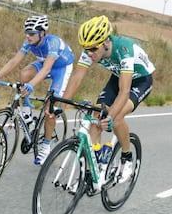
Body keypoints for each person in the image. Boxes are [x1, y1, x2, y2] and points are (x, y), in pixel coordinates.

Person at [58, 15, 155, 183]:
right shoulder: (91, 49)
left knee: (115, 117)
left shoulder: (124, 49)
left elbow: (124, 92)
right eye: (86, 48)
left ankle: (126, 157)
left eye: (93, 49)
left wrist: (110, 117)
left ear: (106, 42)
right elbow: (76, 78)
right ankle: (95, 166)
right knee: (96, 117)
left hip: (140, 81)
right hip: (118, 76)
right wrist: (61, 106)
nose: (89, 53)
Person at [0, 15, 74, 165]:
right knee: (24, 74)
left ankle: (46, 146)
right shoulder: (29, 42)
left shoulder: (53, 43)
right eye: (26, 32)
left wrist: (31, 85)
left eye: (31, 33)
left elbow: (46, 70)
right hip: (46, 64)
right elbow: (14, 61)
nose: (27, 36)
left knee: (50, 110)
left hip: (61, 69)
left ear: (42, 33)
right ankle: (27, 114)